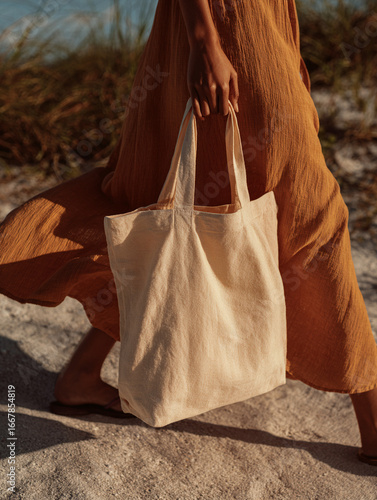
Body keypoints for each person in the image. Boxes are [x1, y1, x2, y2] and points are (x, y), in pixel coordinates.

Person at [0, 0, 376, 465]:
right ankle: (374, 421)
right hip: (227, 25)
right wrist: (206, 40)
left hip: (249, 27)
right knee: (311, 212)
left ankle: (81, 372)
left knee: (171, 205)